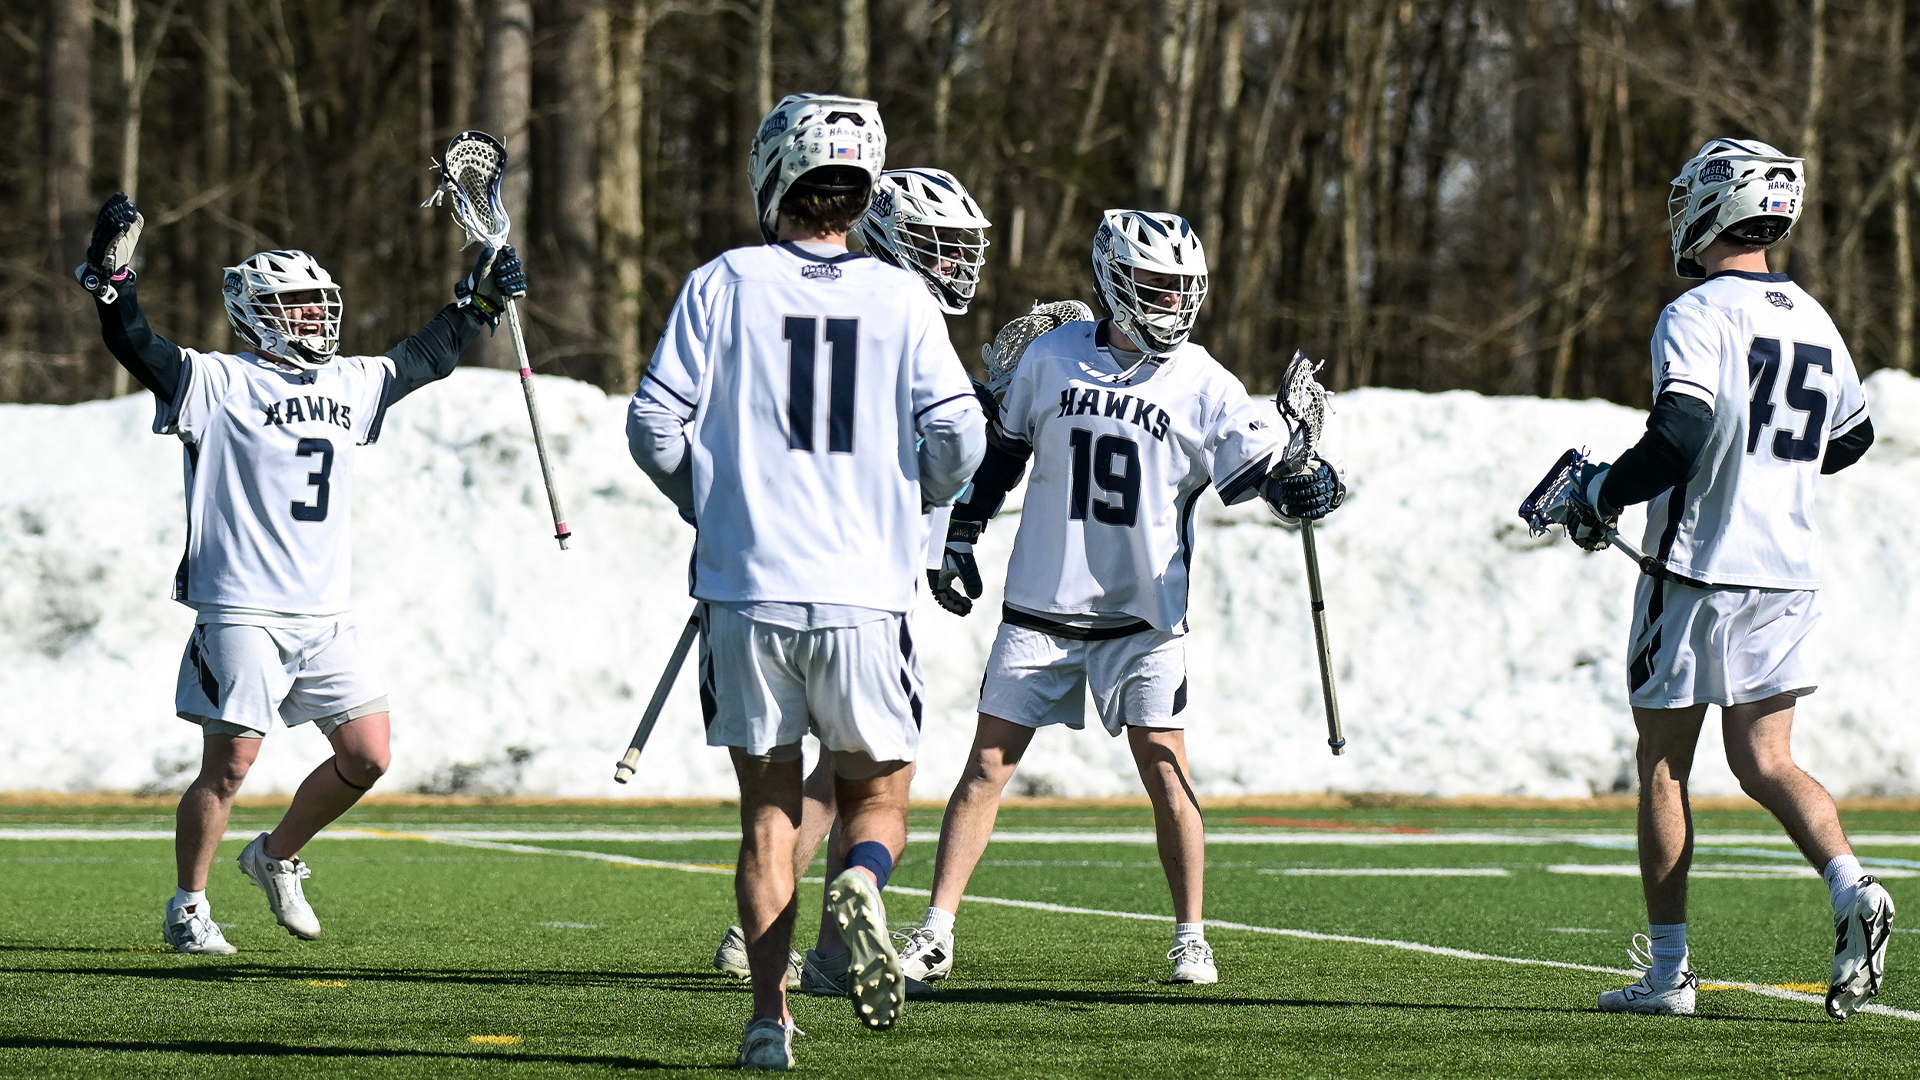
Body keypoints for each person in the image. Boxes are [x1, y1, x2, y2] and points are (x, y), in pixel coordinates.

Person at [895, 209, 1346, 988]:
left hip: (1144, 618)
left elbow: (1262, 469)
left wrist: (1303, 482)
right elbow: (1002, 451)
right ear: (1112, 277)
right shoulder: (1052, 356)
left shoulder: (1208, 382)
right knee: (985, 770)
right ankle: (937, 930)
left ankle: (1192, 935)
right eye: (1154, 286)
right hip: (1042, 605)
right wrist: (963, 531)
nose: (1169, 303)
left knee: (1167, 772)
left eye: (1181, 289)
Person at [626, 95, 986, 1070]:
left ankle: (768, 1019)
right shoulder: (903, 298)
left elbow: (653, 430)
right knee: (877, 797)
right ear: (862, 193)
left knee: (770, 816)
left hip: (751, 592)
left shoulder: (721, 283)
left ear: (771, 177)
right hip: (867, 593)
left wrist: (716, 507)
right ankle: (864, 880)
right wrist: (920, 491)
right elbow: (959, 436)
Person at [75, 192, 526, 956]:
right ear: (256, 315)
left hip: (327, 612)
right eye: (298, 308)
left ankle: (275, 854)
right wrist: (113, 285)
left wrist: (478, 305)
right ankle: (189, 904)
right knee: (231, 764)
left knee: (369, 754)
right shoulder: (215, 382)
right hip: (242, 607)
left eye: (320, 307)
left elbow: (424, 358)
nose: (316, 320)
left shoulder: (347, 383)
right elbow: (138, 345)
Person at [1557, 138, 1890, 1018]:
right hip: (1787, 573)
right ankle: (1852, 884)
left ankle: (1668, 976)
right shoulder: (1813, 314)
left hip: (1700, 570)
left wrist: (1598, 491)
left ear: (1711, 205)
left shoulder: (1699, 311)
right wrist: (1767, 466)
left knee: (1665, 763)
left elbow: (1677, 438)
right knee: (1766, 758)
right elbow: (1851, 438)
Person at [706, 165, 996, 1001]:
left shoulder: (826, 303)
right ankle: (828, 928)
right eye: (937, 245)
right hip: (862, 581)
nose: (952, 264)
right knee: (865, 781)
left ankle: (786, 945)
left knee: (819, 779)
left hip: (780, 573)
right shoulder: (890, 313)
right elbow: (945, 446)